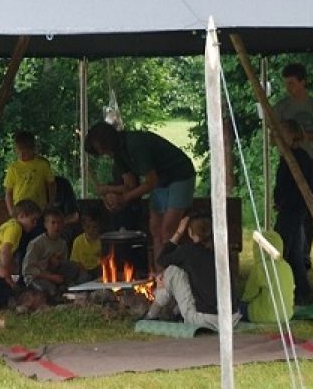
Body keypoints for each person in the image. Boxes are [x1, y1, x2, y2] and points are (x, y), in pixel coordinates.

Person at [86, 121, 196, 261]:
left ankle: (169, 271)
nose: (101, 153)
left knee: (168, 228)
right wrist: (112, 195)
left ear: (106, 140)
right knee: (155, 229)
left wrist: (124, 198)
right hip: (160, 180)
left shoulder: (136, 145)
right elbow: (130, 185)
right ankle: (159, 271)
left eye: (100, 149)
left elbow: (150, 182)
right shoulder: (118, 154)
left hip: (180, 175)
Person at [272, 63, 313, 271]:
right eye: (286, 84)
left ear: (303, 82)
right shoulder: (282, 107)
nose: (289, 88)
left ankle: (304, 252)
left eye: (292, 83)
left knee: (310, 207)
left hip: (311, 158)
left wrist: (305, 137)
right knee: (288, 206)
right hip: (289, 159)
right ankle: (289, 253)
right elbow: (273, 135)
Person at [144, 215, 237, 330]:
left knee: (172, 270)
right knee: (185, 273)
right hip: (231, 318)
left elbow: (162, 259)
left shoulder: (188, 251)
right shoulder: (223, 250)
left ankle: (151, 315)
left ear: (190, 232)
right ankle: (175, 313)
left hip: (206, 319)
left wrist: (179, 232)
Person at [273, 119, 313, 304]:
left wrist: (282, 201)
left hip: (292, 208)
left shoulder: (297, 157)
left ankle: (284, 287)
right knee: (295, 251)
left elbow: (292, 186)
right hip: (292, 207)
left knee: (280, 247)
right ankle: (302, 289)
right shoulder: (298, 156)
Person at [23, 207, 90, 299]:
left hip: (54, 275)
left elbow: (63, 266)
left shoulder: (62, 244)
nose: (56, 226)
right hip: (37, 278)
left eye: (59, 223)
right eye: (53, 223)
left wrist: (56, 264)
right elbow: (29, 270)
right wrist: (51, 277)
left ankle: (75, 290)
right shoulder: (36, 244)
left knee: (79, 272)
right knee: (50, 290)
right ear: (46, 224)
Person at [241, 230, 294, 324]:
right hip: (287, 314)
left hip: (263, 315)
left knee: (236, 307)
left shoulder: (260, 268)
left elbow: (249, 294)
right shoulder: (287, 266)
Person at [4, 131, 56, 215]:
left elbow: (51, 184)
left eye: (25, 152)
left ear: (33, 150)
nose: (21, 155)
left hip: (39, 209)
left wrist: (50, 204)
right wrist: (11, 211)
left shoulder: (42, 165)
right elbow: (8, 192)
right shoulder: (13, 168)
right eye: (18, 152)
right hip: (20, 211)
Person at [0, 199, 42, 279]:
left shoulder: (11, 225)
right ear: (22, 216)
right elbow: (5, 252)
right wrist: (7, 277)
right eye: (33, 220)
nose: (35, 224)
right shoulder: (15, 228)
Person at [69, 204, 104, 277]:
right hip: (82, 271)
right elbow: (74, 262)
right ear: (83, 226)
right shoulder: (78, 241)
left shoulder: (103, 241)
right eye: (88, 227)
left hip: (99, 271)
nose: (91, 230)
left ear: (100, 226)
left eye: (95, 227)